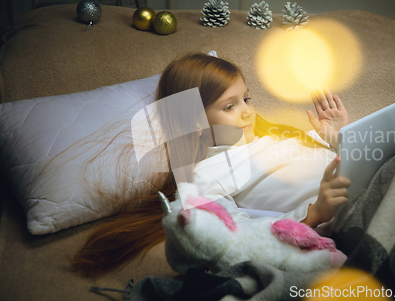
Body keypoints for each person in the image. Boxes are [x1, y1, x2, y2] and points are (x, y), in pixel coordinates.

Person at [72, 52, 351, 275]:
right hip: (348, 218)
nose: (247, 112)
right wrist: (314, 213)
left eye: (246, 98)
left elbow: (345, 160)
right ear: (196, 120)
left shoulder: (279, 137)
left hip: (369, 183)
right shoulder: (206, 176)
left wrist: (339, 138)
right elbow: (241, 239)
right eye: (230, 106)